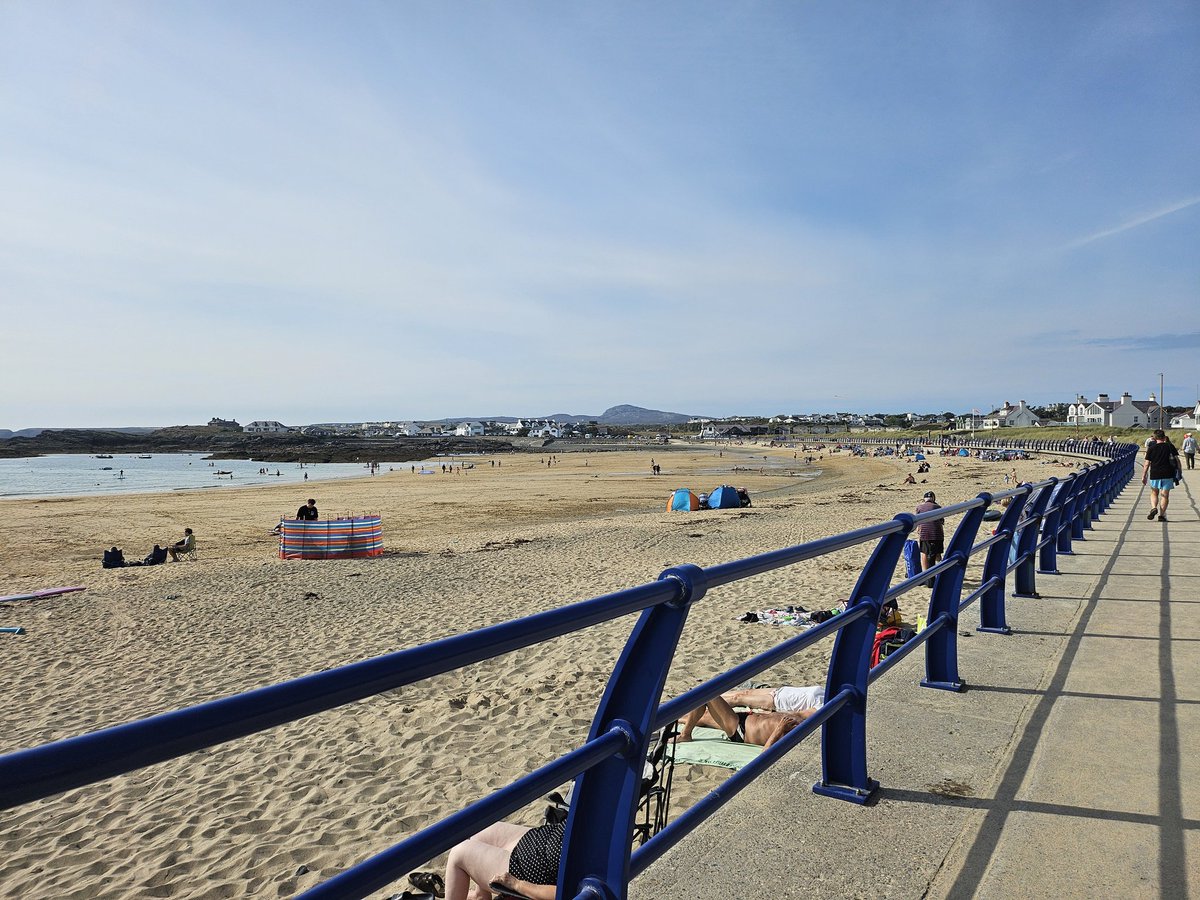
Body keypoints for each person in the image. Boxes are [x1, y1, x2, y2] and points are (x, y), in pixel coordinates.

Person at [435, 819, 563, 900]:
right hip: (548, 840)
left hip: (536, 872)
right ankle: (480, 896)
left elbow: (564, 892)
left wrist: (518, 884)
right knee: (478, 832)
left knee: (458, 853)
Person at [677, 694, 812, 748]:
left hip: (740, 731)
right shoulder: (806, 720)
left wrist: (780, 728)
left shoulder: (795, 735)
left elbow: (766, 752)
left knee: (706, 695)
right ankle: (676, 719)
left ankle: (685, 735)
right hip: (745, 718)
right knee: (705, 717)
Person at [1143, 430, 1180, 522]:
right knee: (1165, 495)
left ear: (1155, 438)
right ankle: (1162, 515)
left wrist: (1144, 475)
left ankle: (1154, 507)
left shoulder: (1151, 448)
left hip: (1155, 473)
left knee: (1154, 493)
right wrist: (1179, 472)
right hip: (1168, 473)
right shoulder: (1170, 446)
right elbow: (1177, 461)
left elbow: (1147, 463)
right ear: (1164, 437)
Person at [720, 684, 824, 715]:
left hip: (775, 703)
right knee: (745, 692)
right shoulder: (828, 692)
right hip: (780, 691)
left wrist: (770, 713)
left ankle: (710, 705)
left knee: (738, 699)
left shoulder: (823, 707)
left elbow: (799, 715)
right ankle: (710, 695)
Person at [914, 490, 944, 579]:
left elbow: (917, 521)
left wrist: (919, 530)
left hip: (924, 534)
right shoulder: (938, 507)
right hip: (937, 534)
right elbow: (941, 521)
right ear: (933, 499)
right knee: (938, 553)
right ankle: (941, 570)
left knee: (924, 553)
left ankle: (925, 574)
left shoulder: (919, 507)